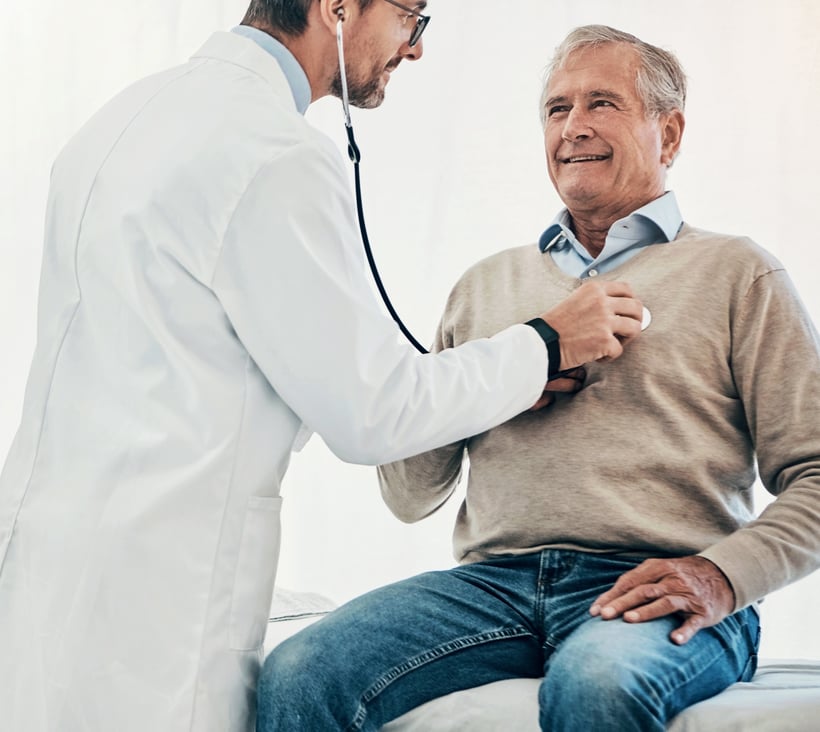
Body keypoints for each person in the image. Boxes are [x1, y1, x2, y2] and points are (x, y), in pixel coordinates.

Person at [0, 5, 647, 731]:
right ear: (337, 7)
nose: (413, 49)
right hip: (155, 597)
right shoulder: (272, 153)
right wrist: (543, 344)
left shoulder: (117, 121)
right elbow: (373, 411)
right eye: (411, 17)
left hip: (43, 567)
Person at [257, 24, 820, 732]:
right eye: (557, 109)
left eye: (602, 104)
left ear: (668, 135)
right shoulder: (486, 287)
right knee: (299, 671)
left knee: (598, 684)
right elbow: (408, 494)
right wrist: (501, 377)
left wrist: (722, 577)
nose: (574, 128)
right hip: (492, 585)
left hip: (649, 583)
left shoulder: (739, 273)